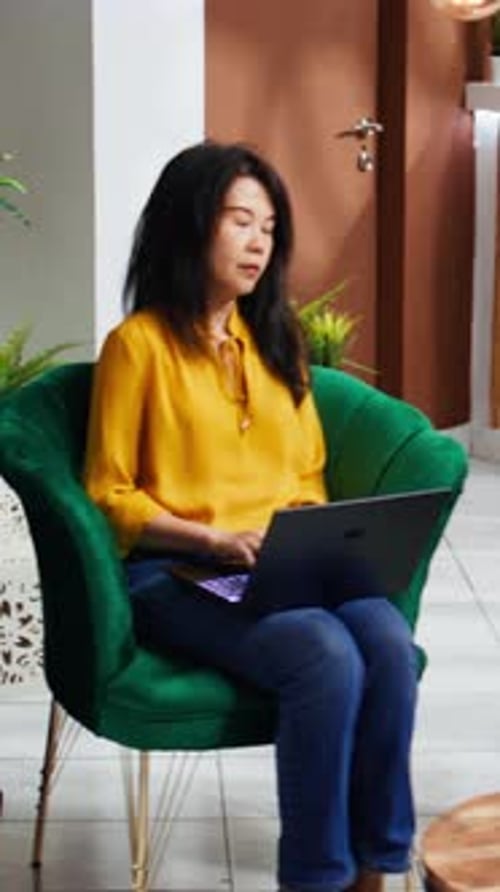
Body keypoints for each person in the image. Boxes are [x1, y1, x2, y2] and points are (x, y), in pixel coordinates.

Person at [84, 140, 418, 892]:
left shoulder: (278, 342)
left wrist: (306, 541)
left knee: (388, 642)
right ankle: (315, 879)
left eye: (268, 225)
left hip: (278, 564)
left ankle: (378, 868)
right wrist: (213, 538)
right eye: (239, 220)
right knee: (323, 654)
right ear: (189, 224)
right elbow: (108, 495)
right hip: (175, 572)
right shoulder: (137, 348)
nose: (258, 240)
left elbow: (305, 472)